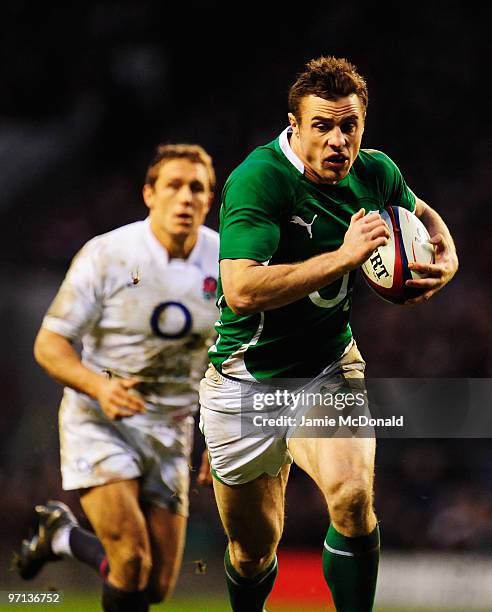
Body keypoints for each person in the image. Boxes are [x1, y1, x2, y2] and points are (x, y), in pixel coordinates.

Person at [199, 56, 458, 611]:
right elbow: (242, 288)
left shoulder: (376, 171)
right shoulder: (260, 178)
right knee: (251, 550)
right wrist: (343, 257)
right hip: (244, 380)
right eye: (323, 126)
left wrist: (448, 258)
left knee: (352, 496)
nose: (339, 140)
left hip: (326, 367)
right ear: (294, 126)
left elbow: (423, 215)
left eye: (350, 126)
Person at [14, 143, 219, 612]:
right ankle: (70, 537)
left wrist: (222, 431)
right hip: (100, 418)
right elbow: (49, 345)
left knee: (156, 586)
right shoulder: (107, 254)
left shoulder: (226, 262)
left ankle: (62, 537)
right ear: (149, 193)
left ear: (210, 200)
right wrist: (100, 386)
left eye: (197, 188)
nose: (185, 197)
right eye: (173, 186)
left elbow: (238, 355)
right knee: (130, 557)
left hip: (171, 426)